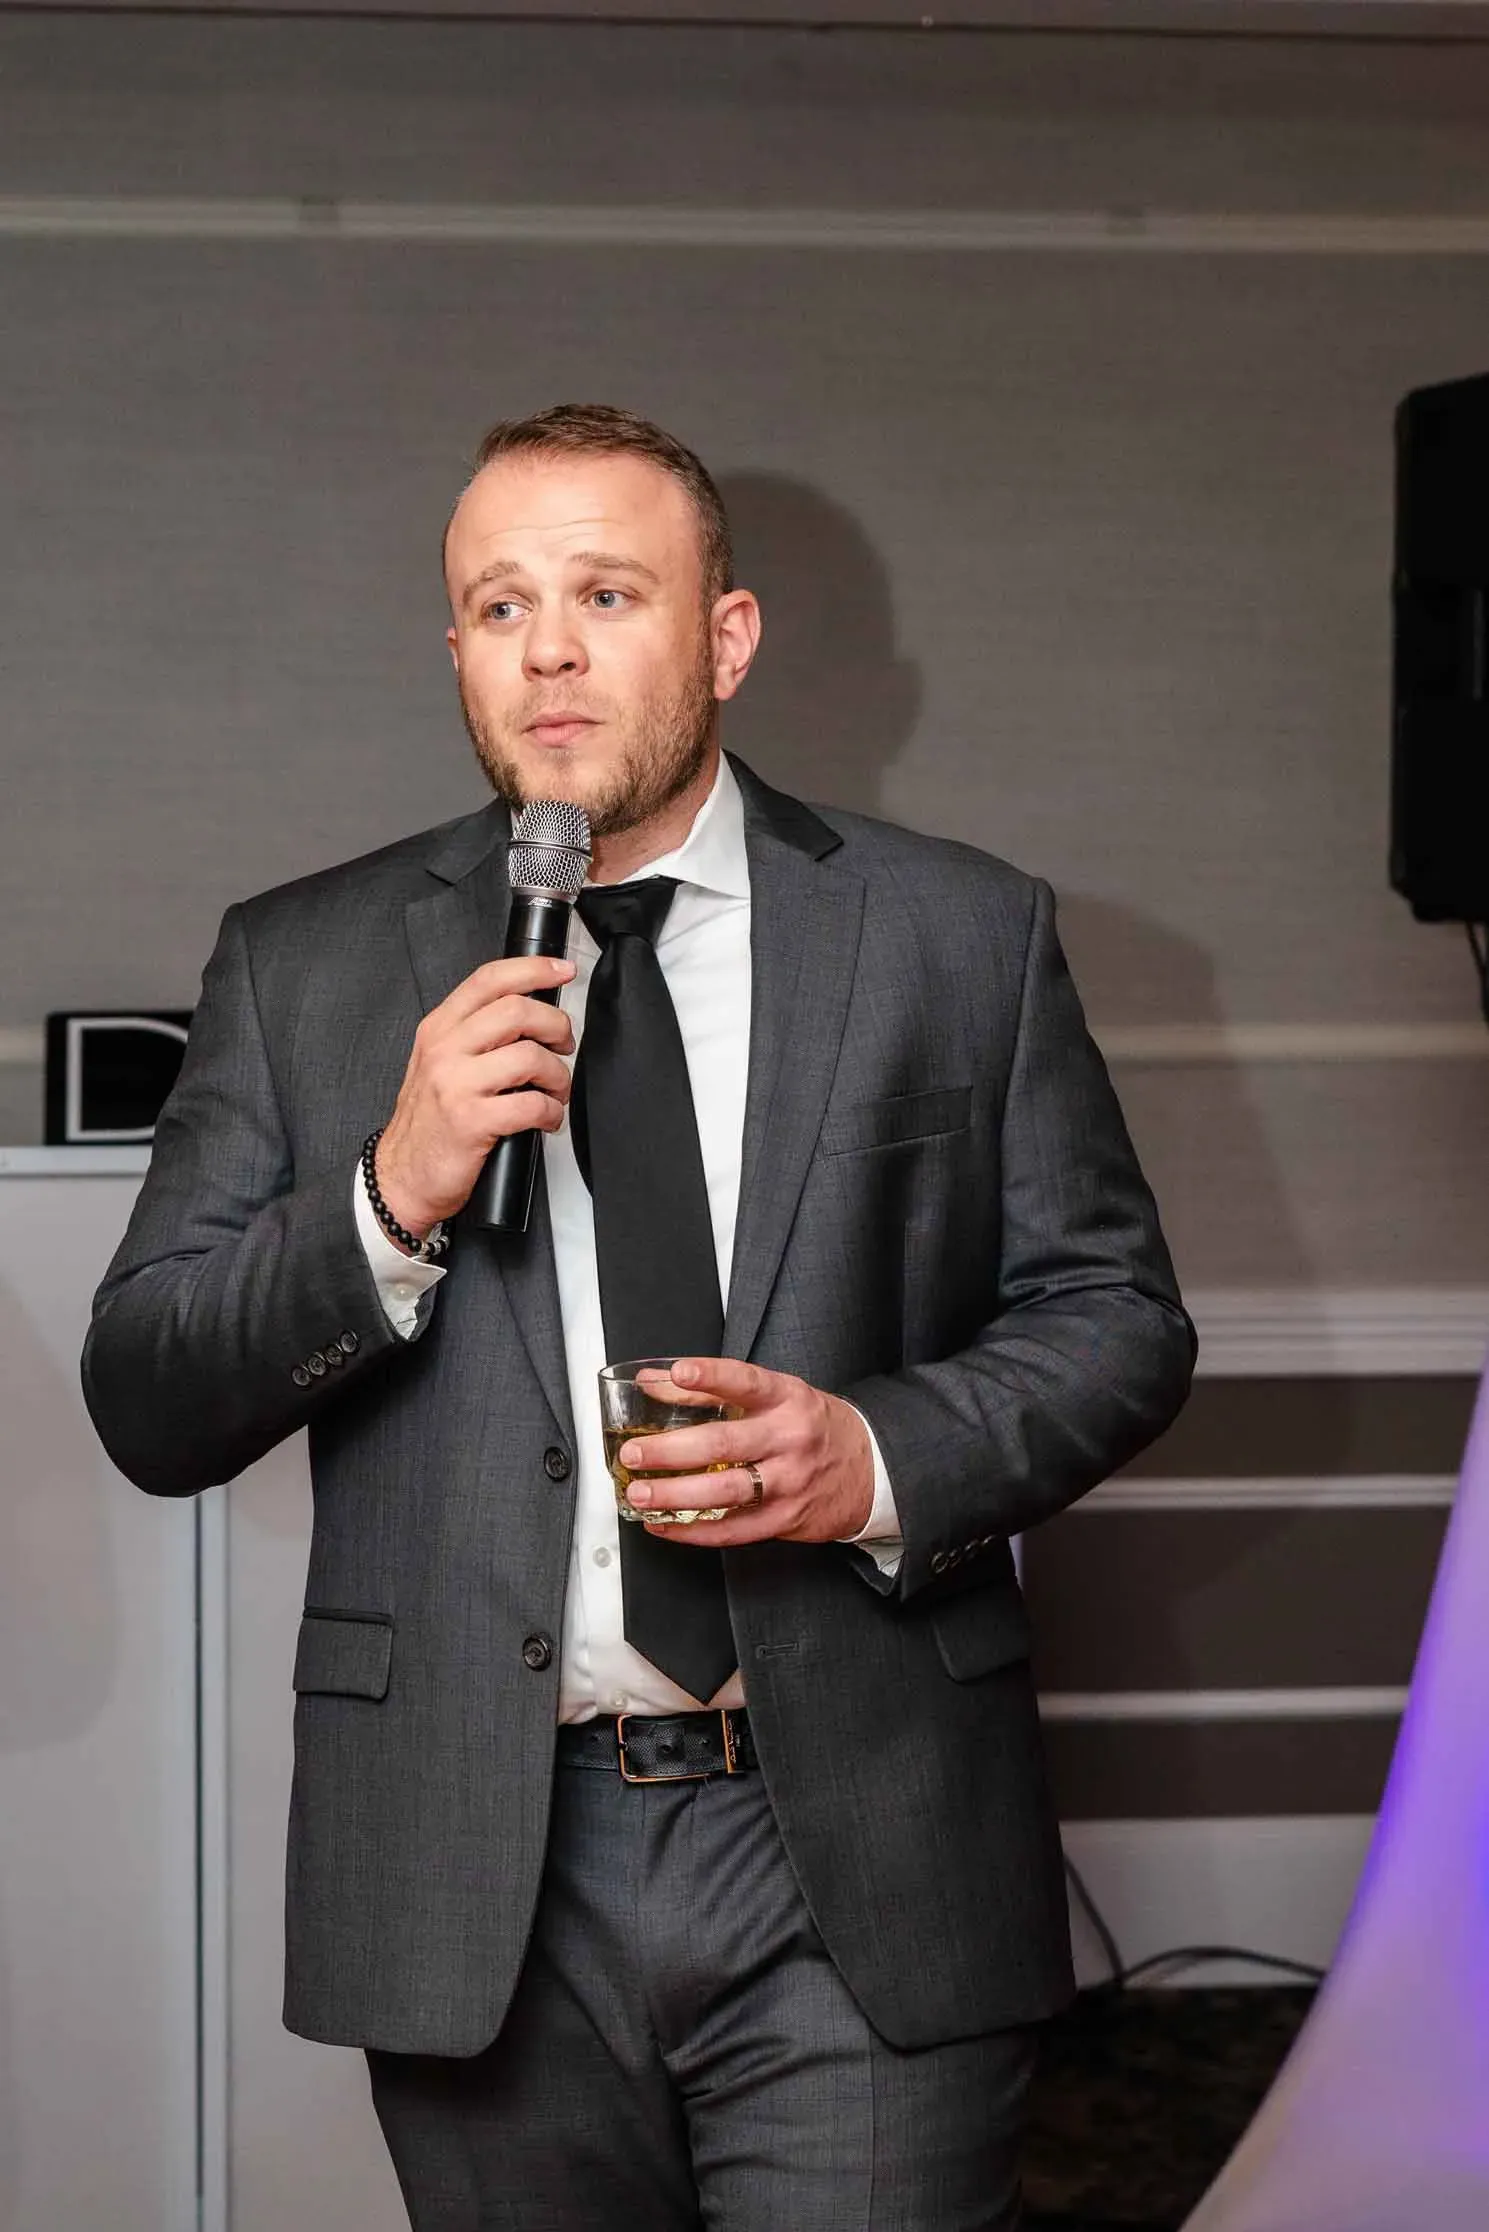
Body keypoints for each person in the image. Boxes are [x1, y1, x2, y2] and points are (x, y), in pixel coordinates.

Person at [82, 402, 1195, 2231]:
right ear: (454, 650)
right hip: (479, 1858)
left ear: (726, 637)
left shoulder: (953, 934)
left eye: (608, 593)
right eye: (501, 607)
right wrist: (390, 1193)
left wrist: (876, 1458)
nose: (553, 654)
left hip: (861, 1829)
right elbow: (146, 1394)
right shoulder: (306, 962)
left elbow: (1118, 1320)